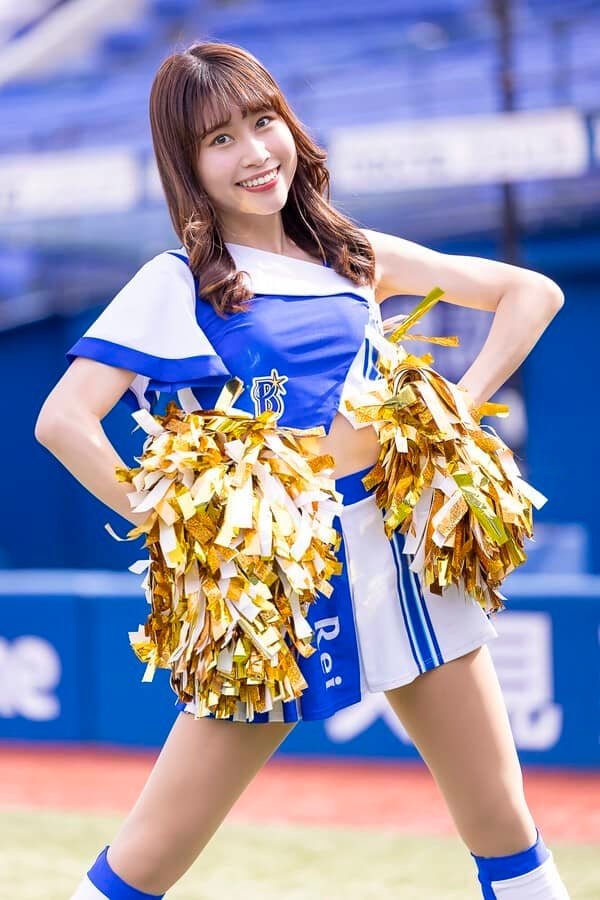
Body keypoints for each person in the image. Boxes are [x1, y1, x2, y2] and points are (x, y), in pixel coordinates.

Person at [34, 40, 569, 900]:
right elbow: (63, 420)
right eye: (219, 140)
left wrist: (454, 412)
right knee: (150, 855)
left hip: (402, 553)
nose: (254, 153)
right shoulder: (177, 283)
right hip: (271, 587)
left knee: (504, 825)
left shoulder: (352, 256)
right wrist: (175, 522)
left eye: (263, 121)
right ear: (187, 165)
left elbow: (532, 293)